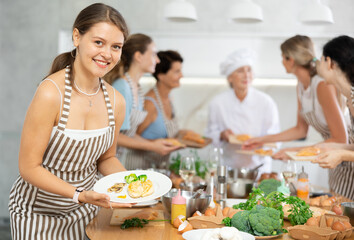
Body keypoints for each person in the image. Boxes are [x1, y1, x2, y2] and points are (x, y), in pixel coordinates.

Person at [8, 3, 132, 239]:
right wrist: (78, 193)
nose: (107, 54)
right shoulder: (51, 92)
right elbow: (29, 167)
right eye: (99, 42)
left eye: (116, 47)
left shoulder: (116, 101)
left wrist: (132, 185)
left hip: (85, 210)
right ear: (77, 37)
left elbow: (107, 158)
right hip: (36, 212)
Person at [243, 35, 350, 160]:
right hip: (329, 152)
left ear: (291, 60)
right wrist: (261, 140)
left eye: (282, 57)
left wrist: (294, 151)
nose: (282, 62)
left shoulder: (321, 85)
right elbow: (300, 130)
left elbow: (341, 138)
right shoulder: (300, 86)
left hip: (346, 154)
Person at [104, 34, 179, 170]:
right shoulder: (122, 86)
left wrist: (156, 143)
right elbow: (114, 137)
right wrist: (152, 146)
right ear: (138, 57)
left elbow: (130, 135)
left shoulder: (137, 89)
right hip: (107, 163)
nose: (157, 60)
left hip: (118, 160)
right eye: (153, 55)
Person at [205, 48, 280, 173]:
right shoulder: (217, 103)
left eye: (249, 70)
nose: (246, 75)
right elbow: (209, 135)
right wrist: (222, 135)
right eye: (240, 71)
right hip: (229, 167)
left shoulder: (266, 102)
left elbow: (275, 137)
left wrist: (260, 144)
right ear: (230, 77)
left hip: (259, 168)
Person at [311, 35, 354, 200]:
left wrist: (341, 154)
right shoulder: (349, 96)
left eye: (320, 59)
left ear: (329, 62)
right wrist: (335, 148)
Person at [133, 50, 182, 168]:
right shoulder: (150, 103)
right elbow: (131, 136)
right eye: (177, 72)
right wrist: (153, 144)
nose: (181, 75)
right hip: (140, 168)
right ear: (161, 76)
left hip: (159, 167)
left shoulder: (168, 97)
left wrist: (183, 133)